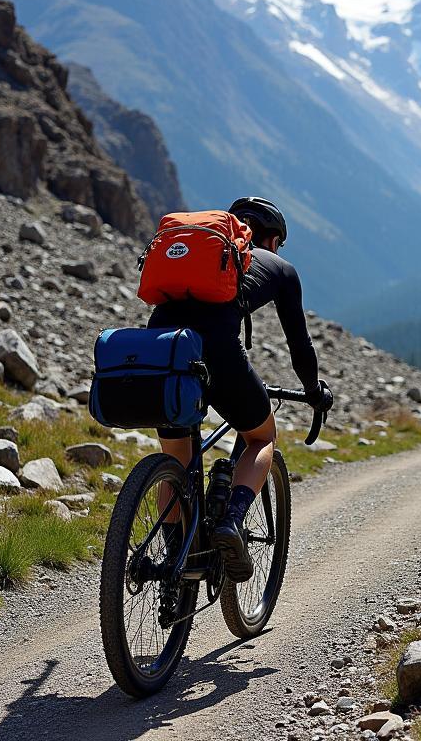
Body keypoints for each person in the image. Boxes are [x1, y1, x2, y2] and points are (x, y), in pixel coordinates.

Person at [147, 196, 331, 581]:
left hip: (162, 344)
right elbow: (300, 345)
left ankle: (172, 562)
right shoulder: (279, 267)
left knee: (177, 460)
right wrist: (313, 390)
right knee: (261, 436)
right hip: (216, 349)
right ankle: (230, 520)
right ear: (273, 239)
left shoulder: (208, 254)